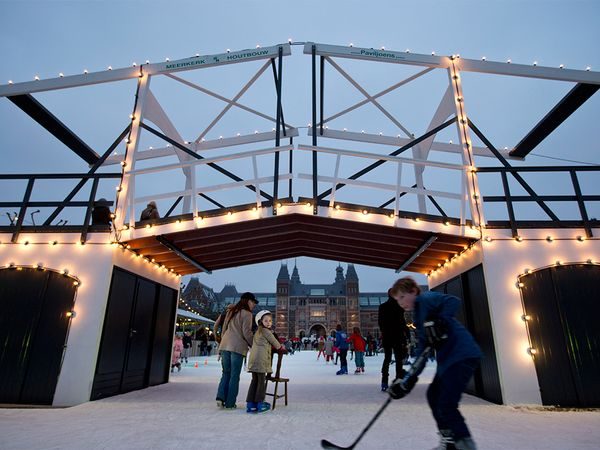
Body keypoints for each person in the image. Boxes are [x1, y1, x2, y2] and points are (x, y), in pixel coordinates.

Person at [388, 277, 481, 450]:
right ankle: (449, 441)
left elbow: (453, 301)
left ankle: (465, 445)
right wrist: (408, 380)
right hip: (448, 361)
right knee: (433, 395)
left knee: (446, 403)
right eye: (397, 300)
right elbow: (422, 353)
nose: (400, 303)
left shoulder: (426, 299)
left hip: (461, 354)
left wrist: (440, 320)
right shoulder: (418, 318)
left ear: (413, 291)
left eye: (402, 297)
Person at [214, 292, 258, 409]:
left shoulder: (231, 311)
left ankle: (220, 397)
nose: (254, 305)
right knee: (234, 376)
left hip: (225, 345)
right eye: (253, 302)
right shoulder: (247, 314)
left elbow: (223, 328)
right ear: (248, 301)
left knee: (225, 373)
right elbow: (246, 332)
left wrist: (221, 343)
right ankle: (230, 403)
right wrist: (254, 344)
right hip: (237, 348)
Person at [245, 310, 286, 413]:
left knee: (254, 381)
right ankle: (260, 404)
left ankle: (250, 404)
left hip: (253, 360)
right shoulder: (266, 331)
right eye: (266, 321)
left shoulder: (257, 332)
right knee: (261, 382)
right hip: (261, 361)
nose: (268, 323)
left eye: (270, 321)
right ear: (261, 322)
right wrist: (281, 347)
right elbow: (275, 343)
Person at [378, 291, 410, 392]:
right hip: (397, 336)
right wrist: (407, 334)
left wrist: (384, 332)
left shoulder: (382, 307)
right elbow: (402, 322)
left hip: (387, 337)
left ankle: (384, 382)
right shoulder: (399, 307)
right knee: (398, 360)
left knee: (387, 359)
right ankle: (398, 381)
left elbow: (380, 323)